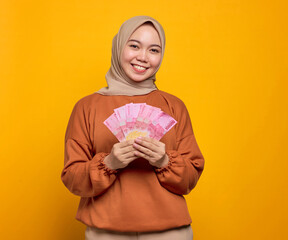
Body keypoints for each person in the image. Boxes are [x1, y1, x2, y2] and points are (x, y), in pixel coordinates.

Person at [61, 15, 205, 240]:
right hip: (106, 231)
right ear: (119, 47)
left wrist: (164, 161)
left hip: (170, 232)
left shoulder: (174, 106)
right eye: (134, 45)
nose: (143, 57)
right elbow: (71, 176)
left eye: (154, 50)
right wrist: (109, 163)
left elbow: (191, 176)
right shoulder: (86, 107)